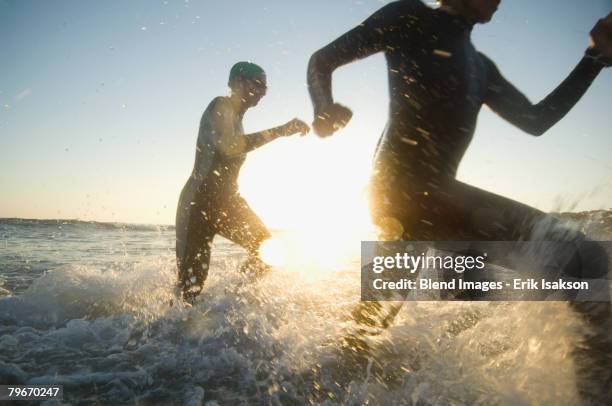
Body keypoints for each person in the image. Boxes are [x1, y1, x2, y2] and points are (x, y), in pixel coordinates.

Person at [307, 0, 611, 401]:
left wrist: (593, 58)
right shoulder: (410, 16)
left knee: (372, 324)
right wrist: (323, 106)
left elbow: (537, 120)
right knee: (587, 262)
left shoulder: (480, 66)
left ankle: (312, 384)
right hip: (406, 190)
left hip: (420, 200)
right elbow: (322, 59)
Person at [176, 61, 309, 303]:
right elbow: (229, 147)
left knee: (267, 251)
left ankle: (226, 304)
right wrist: (280, 130)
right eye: (257, 85)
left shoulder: (238, 118)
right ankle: (163, 337)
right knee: (190, 289)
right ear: (237, 82)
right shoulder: (221, 105)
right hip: (198, 202)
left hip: (228, 201)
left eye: (265, 88)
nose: (261, 92)